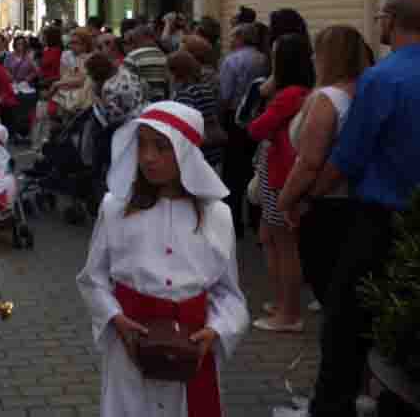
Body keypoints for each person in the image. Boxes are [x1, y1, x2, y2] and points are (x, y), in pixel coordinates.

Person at [76, 101, 249, 417]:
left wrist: (216, 330)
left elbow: (229, 295)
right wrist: (115, 318)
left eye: (161, 147)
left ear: (186, 151)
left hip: (191, 355)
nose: (147, 157)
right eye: (141, 145)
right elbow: (93, 279)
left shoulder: (218, 216)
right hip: (129, 349)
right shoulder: (115, 208)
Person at [302, 0, 420, 417]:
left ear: (391, 21)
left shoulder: (382, 78)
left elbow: (349, 156)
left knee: (346, 321)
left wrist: (311, 195)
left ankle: (334, 406)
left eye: (380, 18)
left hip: (382, 217)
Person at [277, 26, 372, 305]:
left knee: (327, 285)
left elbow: (309, 161)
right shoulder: (365, 92)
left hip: (324, 204)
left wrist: (287, 200)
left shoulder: (327, 98)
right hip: (358, 199)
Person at [248, 33, 313, 333]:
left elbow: (256, 128)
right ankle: (282, 302)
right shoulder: (302, 92)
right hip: (277, 172)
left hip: (280, 174)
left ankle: (289, 313)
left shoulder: (289, 95)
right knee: (271, 238)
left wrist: (264, 95)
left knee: (285, 245)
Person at [219, 23, 269, 238]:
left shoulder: (231, 60)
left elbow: (225, 94)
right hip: (259, 116)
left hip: (236, 118)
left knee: (233, 172)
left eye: (233, 37)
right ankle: (257, 220)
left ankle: (234, 220)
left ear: (240, 38)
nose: (230, 41)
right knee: (254, 167)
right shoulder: (264, 59)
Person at [169, 50, 226, 176]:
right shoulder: (205, 88)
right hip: (214, 152)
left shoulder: (185, 93)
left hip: (198, 156)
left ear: (175, 72)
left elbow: (187, 126)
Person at [123, 23, 170, 102]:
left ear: (137, 38)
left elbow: (125, 85)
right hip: (162, 103)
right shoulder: (165, 57)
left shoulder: (132, 57)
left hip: (143, 102)